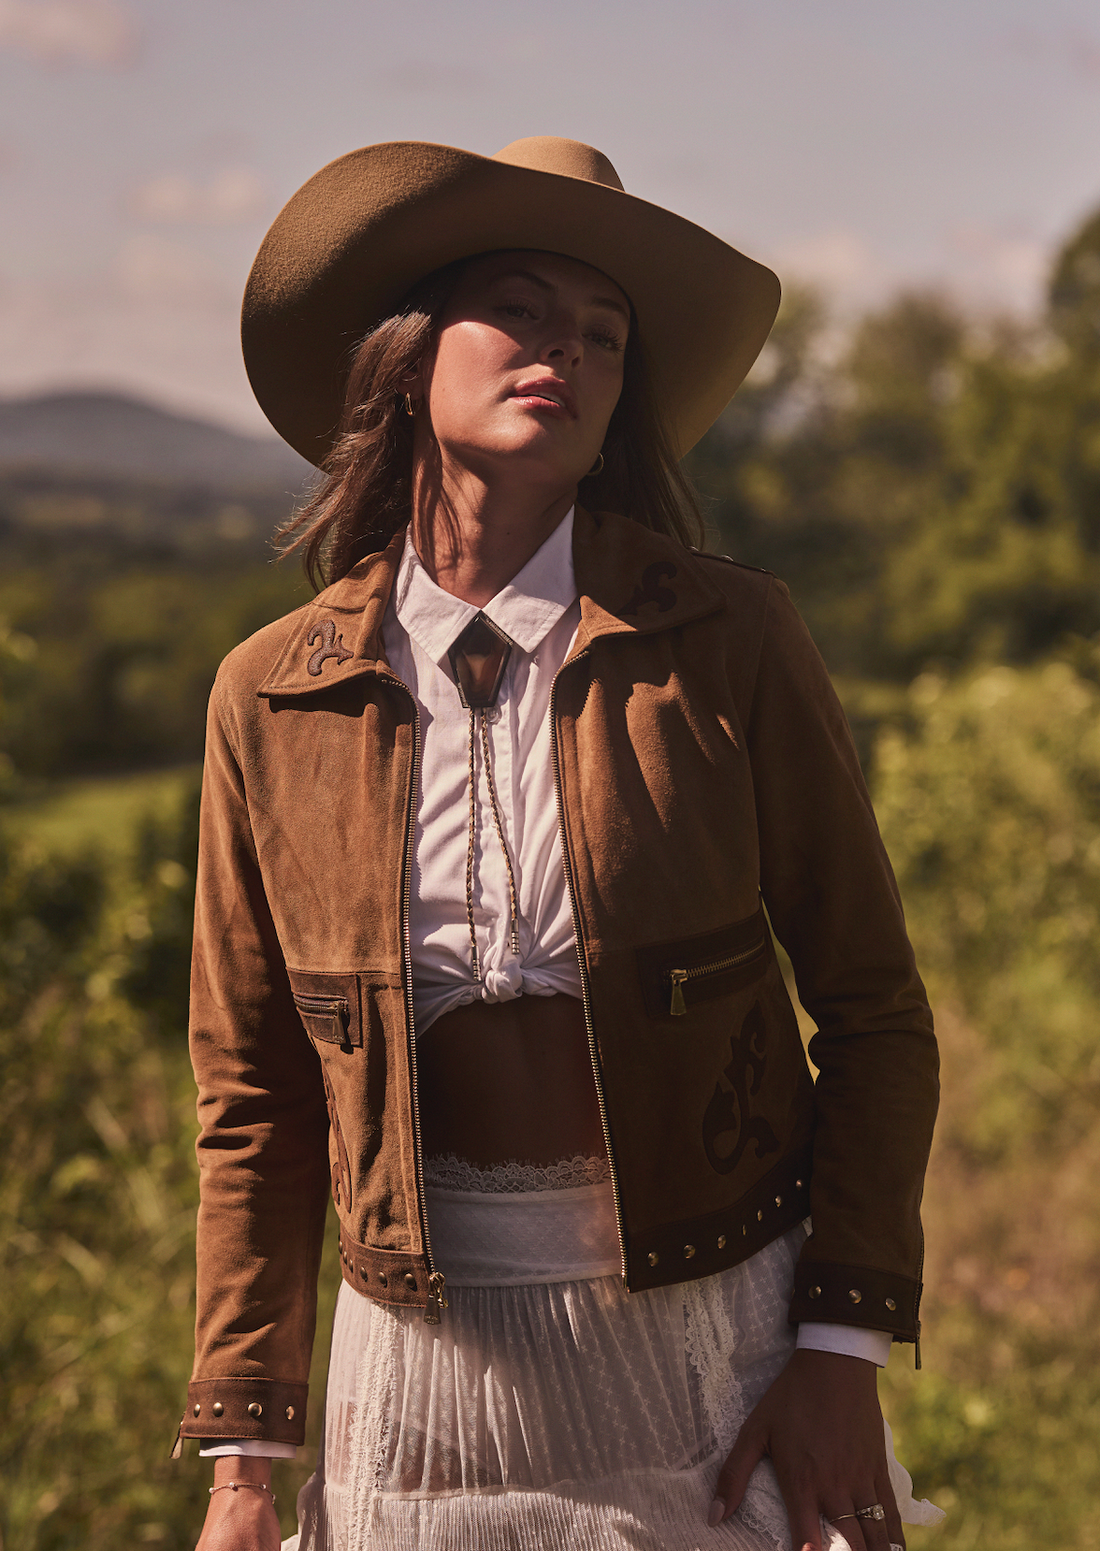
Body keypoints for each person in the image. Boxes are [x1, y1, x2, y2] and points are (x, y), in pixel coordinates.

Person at [178, 137, 943, 1551]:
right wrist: (242, 1459)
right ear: (409, 359)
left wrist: (840, 1348)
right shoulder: (274, 693)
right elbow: (254, 1097)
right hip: (416, 1375)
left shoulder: (727, 640)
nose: (566, 350)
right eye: (520, 309)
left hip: (717, 1354)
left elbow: (878, 1012)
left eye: (601, 332)